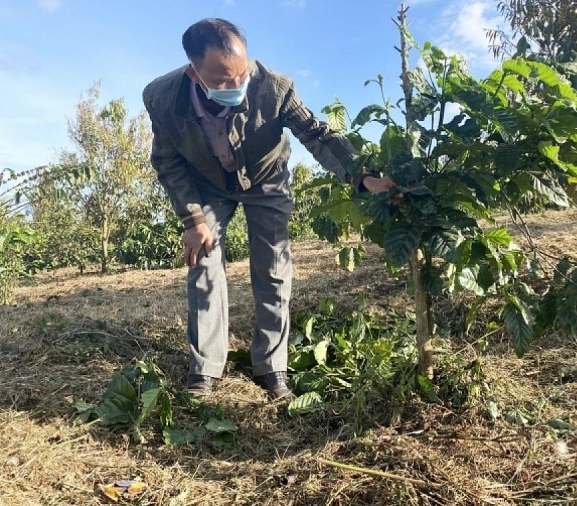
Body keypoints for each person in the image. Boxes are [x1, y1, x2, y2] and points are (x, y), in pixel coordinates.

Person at [142, 18, 394, 399]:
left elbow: (317, 133)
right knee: (203, 266)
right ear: (195, 74)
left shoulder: (275, 87)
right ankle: (206, 369)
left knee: (273, 268)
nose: (236, 88)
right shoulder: (162, 97)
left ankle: (272, 367)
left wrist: (362, 176)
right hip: (207, 184)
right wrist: (192, 218)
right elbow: (167, 160)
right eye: (223, 81)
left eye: (241, 75)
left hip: (266, 179)